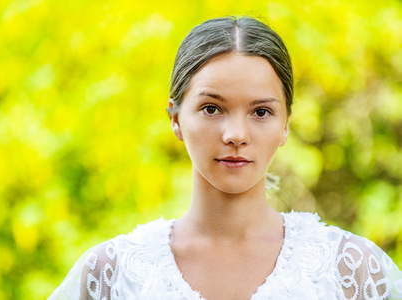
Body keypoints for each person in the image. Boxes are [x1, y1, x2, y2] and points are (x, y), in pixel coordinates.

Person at [49, 16, 402, 300]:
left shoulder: (352, 272)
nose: (236, 134)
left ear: (285, 126)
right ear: (175, 118)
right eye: (212, 108)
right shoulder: (111, 276)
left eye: (261, 112)